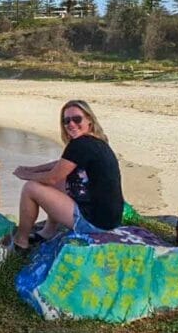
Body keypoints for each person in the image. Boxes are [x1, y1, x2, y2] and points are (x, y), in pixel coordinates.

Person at [10, 99, 123, 251]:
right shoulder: (96, 141)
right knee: (59, 181)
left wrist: (27, 176)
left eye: (77, 119)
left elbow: (52, 177)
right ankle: (48, 231)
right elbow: (61, 164)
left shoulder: (79, 144)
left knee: (31, 188)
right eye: (66, 120)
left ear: (89, 120)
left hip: (94, 223)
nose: (71, 124)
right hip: (109, 219)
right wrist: (32, 169)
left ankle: (20, 241)